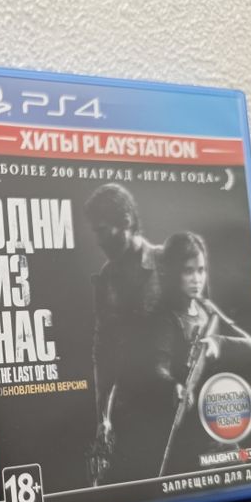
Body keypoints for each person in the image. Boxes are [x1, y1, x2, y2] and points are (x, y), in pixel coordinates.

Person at [148, 232, 251, 476]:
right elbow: (157, 366)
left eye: (201, 270)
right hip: (187, 432)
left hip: (216, 422)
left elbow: (250, 346)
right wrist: (172, 386)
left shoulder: (207, 308)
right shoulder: (164, 319)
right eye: (188, 271)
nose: (197, 279)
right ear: (172, 271)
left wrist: (217, 343)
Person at [83, 183, 162, 484]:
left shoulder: (167, 262)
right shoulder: (106, 277)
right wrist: (103, 419)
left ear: (126, 221)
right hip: (130, 407)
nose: (98, 240)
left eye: (103, 230)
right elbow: (102, 351)